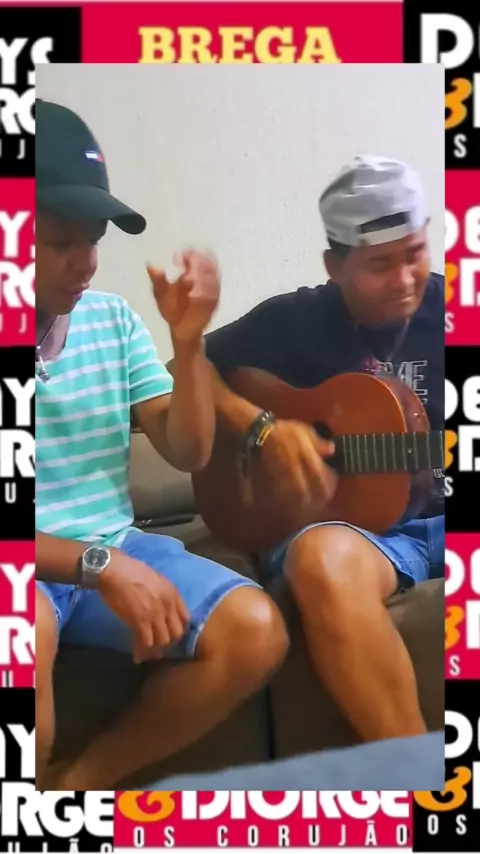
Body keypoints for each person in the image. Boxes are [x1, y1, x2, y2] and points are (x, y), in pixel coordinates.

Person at [35, 99, 289, 792]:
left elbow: (188, 452)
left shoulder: (112, 321)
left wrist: (188, 341)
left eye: (94, 240)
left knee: (255, 629)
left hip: (113, 543)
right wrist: (99, 566)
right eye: (61, 242)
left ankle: (73, 789)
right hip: (32, 565)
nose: (86, 264)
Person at [204, 155, 445, 743]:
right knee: (317, 560)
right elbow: (181, 373)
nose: (405, 278)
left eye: (415, 254)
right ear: (334, 266)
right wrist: (262, 428)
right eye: (380, 265)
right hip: (358, 537)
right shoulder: (293, 322)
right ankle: (418, 778)